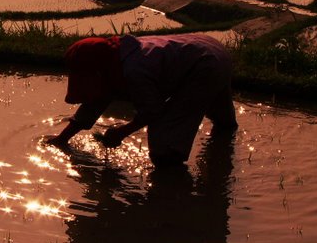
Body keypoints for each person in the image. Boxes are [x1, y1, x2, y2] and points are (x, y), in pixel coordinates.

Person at [47, 33, 238, 166]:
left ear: (96, 71)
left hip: (204, 66)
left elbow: (153, 110)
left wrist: (122, 132)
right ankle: (223, 153)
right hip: (210, 49)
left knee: (164, 151)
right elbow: (95, 101)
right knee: (224, 125)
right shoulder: (114, 56)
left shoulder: (134, 70)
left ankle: (173, 189)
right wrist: (62, 139)